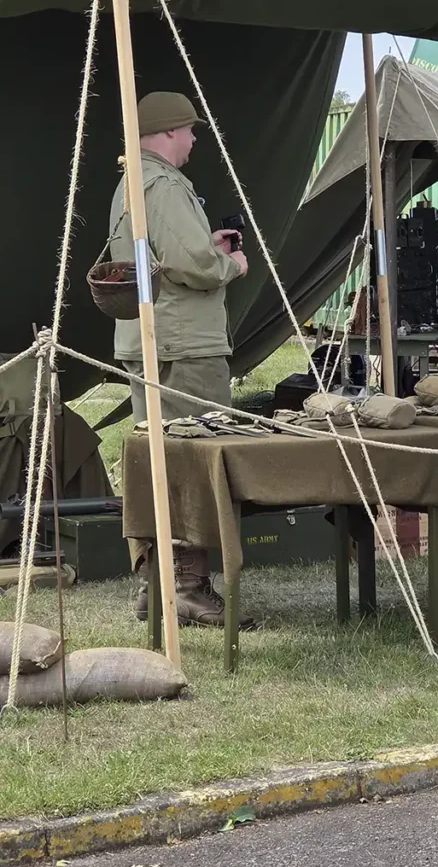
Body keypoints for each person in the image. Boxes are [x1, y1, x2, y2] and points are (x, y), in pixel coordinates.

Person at [109, 91, 250, 628]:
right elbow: (193, 264)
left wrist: (204, 245)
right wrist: (229, 262)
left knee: (162, 464)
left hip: (154, 340)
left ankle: (158, 585)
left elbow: (165, 254)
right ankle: (187, 587)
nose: (193, 140)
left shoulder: (133, 180)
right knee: (196, 463)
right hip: (182, 344)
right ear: (169, 132)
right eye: (189, 131)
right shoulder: (164, 183)